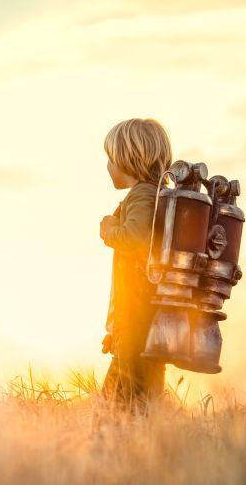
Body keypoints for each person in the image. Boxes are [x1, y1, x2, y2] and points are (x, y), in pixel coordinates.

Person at [98, 118, 172, 411]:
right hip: (143, 315)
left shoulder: (142, 194)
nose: (107, 166)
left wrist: (109, 230)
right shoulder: (151, 194)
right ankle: (151, 446)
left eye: (109, 158)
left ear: (127, 158)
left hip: (138, 316)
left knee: (113, 407)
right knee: (146, 403)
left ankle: (115, 450)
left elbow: (137, 240)